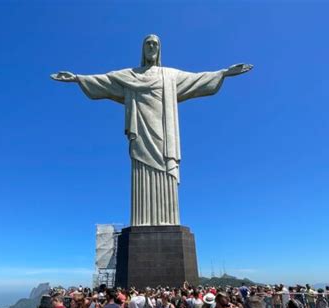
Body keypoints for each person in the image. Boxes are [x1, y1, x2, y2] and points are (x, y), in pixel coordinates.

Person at [51, 34, 253, 227]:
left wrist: (224, 73)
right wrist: (77, 78)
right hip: (140, 132)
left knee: (166, 171)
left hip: (165, 134)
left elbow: (197, 79)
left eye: (155, 44)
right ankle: (142, 220)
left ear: (160, 49)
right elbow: (105, 80)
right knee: (141, 171)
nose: (151, 47)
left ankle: (168, 220)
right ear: (142, 49)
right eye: (148, 43)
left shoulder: (170, 75)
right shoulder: (131, 75)